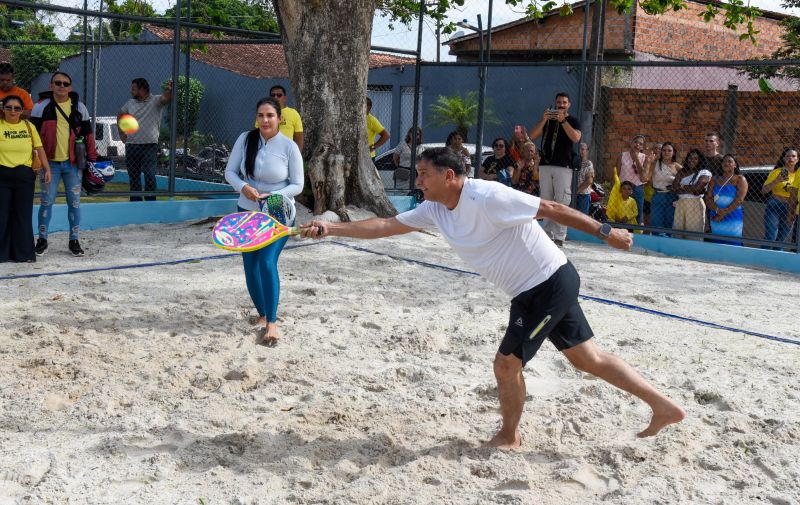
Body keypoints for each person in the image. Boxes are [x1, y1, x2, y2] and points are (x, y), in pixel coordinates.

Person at [300, 147, 685, 449]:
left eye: (423, 174)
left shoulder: (488, 196)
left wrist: (607, 232)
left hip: (547, 283)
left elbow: (552, 208)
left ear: (449, 176)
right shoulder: (436, 208)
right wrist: (333, 228)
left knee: (505, 365)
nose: (417, 180)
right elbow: (385, 225)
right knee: (588, 359)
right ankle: (663, 407)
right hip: (533, 289)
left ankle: (509, 436)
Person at [224, 97, 303, 346]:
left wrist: (275, 196)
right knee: (250, 266)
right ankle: (261, 314)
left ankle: (272, 323)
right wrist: (243, 187)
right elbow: (230, 172)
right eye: (261, 115)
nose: (265, 120)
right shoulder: (245, 139)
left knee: (267, 263)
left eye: (270, 115)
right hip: (247, 211)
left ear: (280, 118)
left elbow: (298, 185)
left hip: (278, 213)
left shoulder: (289, 147)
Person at [31, 71, 97, 257]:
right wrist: (35, 161)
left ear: (71, 87)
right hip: (49, 165)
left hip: (73, 164)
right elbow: (33, 138)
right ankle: (42, 240)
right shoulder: (40, 107)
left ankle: (74, 240)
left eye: (65, 83)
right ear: (51, 85)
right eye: (57, 83)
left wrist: (92, 159)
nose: (61, 86)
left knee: (74, 203)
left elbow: (89, 136)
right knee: (46, 202)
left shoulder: (80, 108)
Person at [0, 95, 51, 262]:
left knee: (23, 215)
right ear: (3, 109)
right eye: (9, 107)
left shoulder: (29, 126)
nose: (13, 111)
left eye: (17, 108)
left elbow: (39, 148)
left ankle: (23, 254)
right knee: (2, 215)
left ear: (22, 111)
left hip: (24, 176)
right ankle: (3, 254)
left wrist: (47, 168)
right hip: (2, 176)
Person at [529, 92, 581, 247]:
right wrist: (545, 118)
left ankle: (559, 236)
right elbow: (532, 135)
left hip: (563, 166)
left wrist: (563, 121)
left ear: (569, 105)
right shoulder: (548, 120)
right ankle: (547, 235)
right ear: (555, 103)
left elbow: (576, 138)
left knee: (562, 201)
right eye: (559, 102)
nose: (561, 105)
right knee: (546, 200)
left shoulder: (572, 120)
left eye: (564, 103)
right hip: (545, 165)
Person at [119, 77, 173, 202]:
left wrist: (170, 89)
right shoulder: (130, 103)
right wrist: (121, 132)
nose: (131, 91)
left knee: (149, 175)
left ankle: (150, 203)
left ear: (142, 89)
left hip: (149, 146)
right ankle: (136, 204)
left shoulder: (155, 101)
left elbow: (166, 98)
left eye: (134, 89)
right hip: (132, 145)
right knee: (134, 177)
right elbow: (120, 114)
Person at [705, 154, 747, 245]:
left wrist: (723, 213)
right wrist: (718, 211)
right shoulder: (714, 179)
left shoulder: (740, 179)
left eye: (730, 161)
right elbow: (708, 198)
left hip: (733, 217)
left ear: (735, 165)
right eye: (724, 161)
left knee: (733, 243)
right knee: (717, 243)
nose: (726, 163)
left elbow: (739, 200)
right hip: (716, 216)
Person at [761, 148, 798, 246]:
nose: (790, 158)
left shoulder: (798, 174)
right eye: (788, 156)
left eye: (793, 156)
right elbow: (764, 191)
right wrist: (777, 180)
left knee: (781, 241)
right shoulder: (777, 172)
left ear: (798, 159)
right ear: (783, 159)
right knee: (771, 237)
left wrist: (793, 211)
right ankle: (762, 259)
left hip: (791, 207)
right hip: (775, 204)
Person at [672, 149, 711, 240]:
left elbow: (697, 188)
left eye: (695, 159)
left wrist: (681, 187)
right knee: (678, 232)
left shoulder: (704, 172)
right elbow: (674, 187)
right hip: (681, 203)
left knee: (693, 233)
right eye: (690, 158)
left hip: (695, 204)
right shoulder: (682, 171)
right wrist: (691, 188)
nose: (691, 160)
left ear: (700, 160)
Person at [616, 135, 652, 226]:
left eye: (641, 144)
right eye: (636, 142)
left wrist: (636, 158)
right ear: (631, 143)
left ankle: (636, 235)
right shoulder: (622, 155)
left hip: (638, 189)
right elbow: (616, 173)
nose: (637, 145)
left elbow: (643, 176)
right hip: (623, 189)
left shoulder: (644, 157)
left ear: (642, 147)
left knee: (637, 214)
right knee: (621, 212)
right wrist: (616, 188)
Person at [648, 142, 680, 232]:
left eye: (669, 150)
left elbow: (686, 177)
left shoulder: (676, 166)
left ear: (673, 153)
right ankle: (656, 244)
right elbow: (647, 178)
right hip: (658, 195)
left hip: (671, 197)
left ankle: (668, 243)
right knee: (656, 223)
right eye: (664, 150)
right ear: (661, 152)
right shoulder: (655, 164)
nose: (666, 152)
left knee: (669, 223)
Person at [268, 85, 304, 153]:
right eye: (273, 95)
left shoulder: (293, 113)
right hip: (269, 152)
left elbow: (299, 137)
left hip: (287, 152)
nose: (276, 97)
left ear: (285, 98)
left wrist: (297, 155)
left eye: (279, 95)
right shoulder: (264, 113)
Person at [575, 142, 594, 215]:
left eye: (583, 149)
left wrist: (577, 190)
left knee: (581, 218)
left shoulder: (588, 164)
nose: (580, 151)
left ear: (587, 151)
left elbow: (589, 181)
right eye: (579, 149)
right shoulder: (575, 162)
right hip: (573, 194)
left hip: (583, 195)